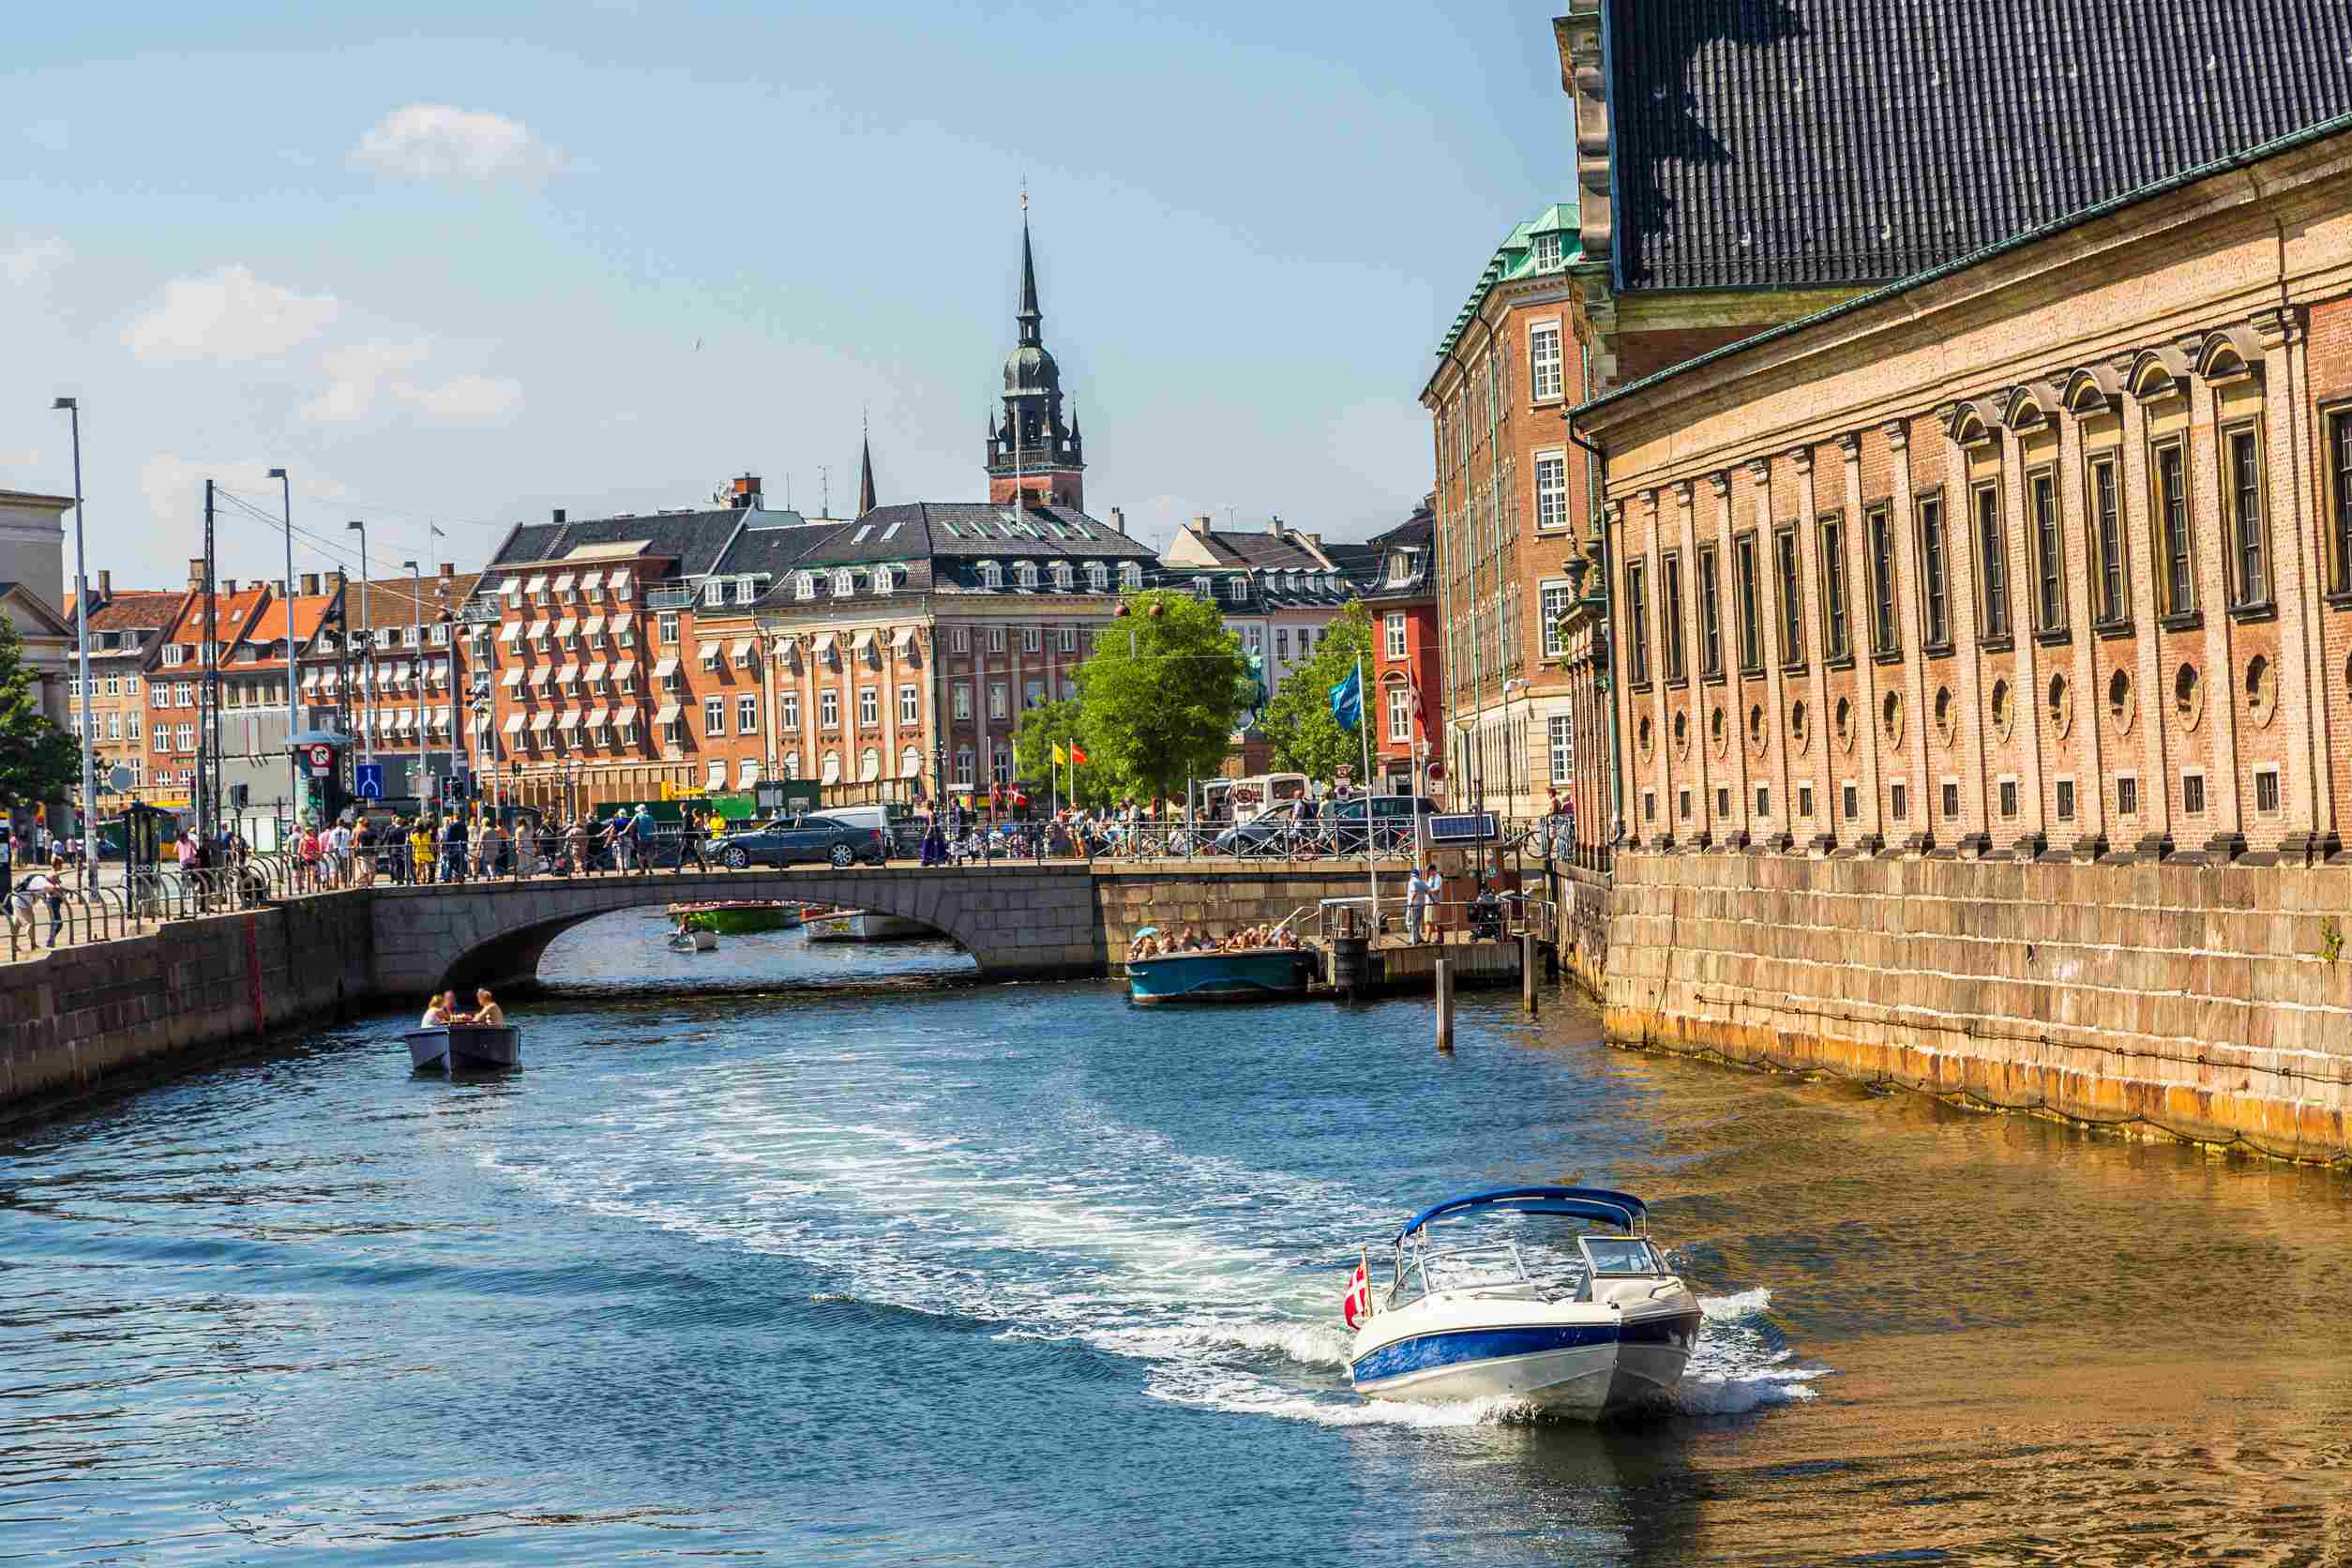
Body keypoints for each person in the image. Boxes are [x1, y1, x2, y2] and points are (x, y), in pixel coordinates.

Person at [1407, 856, 1440, 945]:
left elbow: (1413, 893)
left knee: (1409, 923)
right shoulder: (1422, 882)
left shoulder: (1412, 881)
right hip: (1422, 905)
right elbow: (1428, 892)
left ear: (1411, 874)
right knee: (1417, 923)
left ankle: (1414, 940)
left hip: (1414, 905)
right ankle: (1416, 938)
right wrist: (1434, 901)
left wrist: (1410, 903)